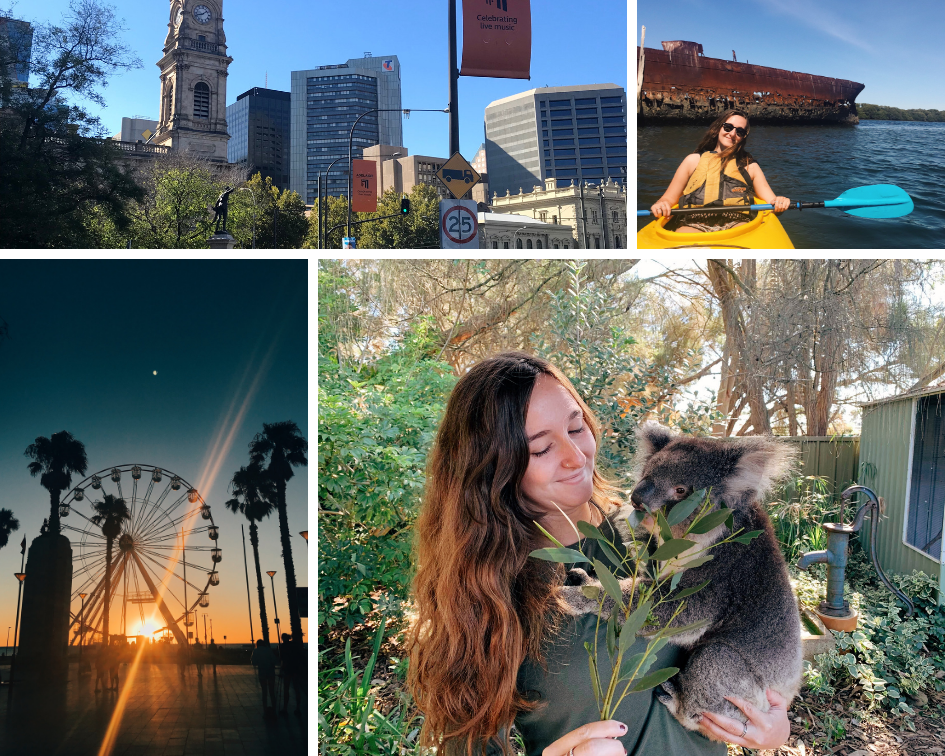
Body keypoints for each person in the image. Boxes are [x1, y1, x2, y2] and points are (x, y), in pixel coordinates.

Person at [405, 352, 792, 755]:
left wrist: (772, 726)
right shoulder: (484, 589)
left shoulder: (679, 536)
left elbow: (753, 630)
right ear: (492, 469)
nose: (575, 457)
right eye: (540, 450)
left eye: (577, 427)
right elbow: (466, 744)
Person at [649, 109, 791, 234]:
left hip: (738, 222)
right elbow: (668, 198)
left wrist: (780, 202)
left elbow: (771, 201)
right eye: (728, 127)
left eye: (740, 131)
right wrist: (662, 204)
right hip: (694, 222)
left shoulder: (750, 166)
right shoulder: (692, 161)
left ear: (743, 137)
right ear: (719, 128)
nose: (733, 133)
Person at [250, 639, 277, 717]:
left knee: (264, 692)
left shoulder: (256, 651)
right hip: (271, 673)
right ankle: (274, 710)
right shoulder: (269, 650)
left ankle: (265, 711)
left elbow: (253, 662)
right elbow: (274, 660)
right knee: (272, 692)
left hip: (262, 673)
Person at [279, 633, 303, 715]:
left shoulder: (282, 646)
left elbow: (282, 659)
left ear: (282, 638)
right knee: (297, 689)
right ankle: (298, 708)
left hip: (287, 669)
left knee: (286, 689)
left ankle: (285, 708)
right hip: (295, 668)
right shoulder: (294, 645)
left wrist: (281, 670)